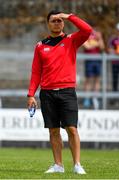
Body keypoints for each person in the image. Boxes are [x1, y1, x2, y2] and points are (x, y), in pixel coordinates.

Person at [27, 10, 92, 174]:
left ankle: (77, 164)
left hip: (67, 91)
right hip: (47, 93)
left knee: (72, 129)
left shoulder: (71, 40)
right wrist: (30, 95)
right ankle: (58, 165)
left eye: (59, 21)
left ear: (63, 23)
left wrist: (70, 17)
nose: (57, 23)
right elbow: (36, 72)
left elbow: (87, 30)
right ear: (48, 24)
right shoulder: (40, 46)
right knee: (53, 130)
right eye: (53, 21)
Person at [83, 28, 105, 109]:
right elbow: (87, 46)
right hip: (89, 61)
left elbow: (102, 47)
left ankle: (95, 98)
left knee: (97, 80)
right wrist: (96, 43)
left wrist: (100, 38)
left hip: (97, 61)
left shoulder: (98, 36)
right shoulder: (86, 34)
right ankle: (87, 99)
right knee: (88, 80)